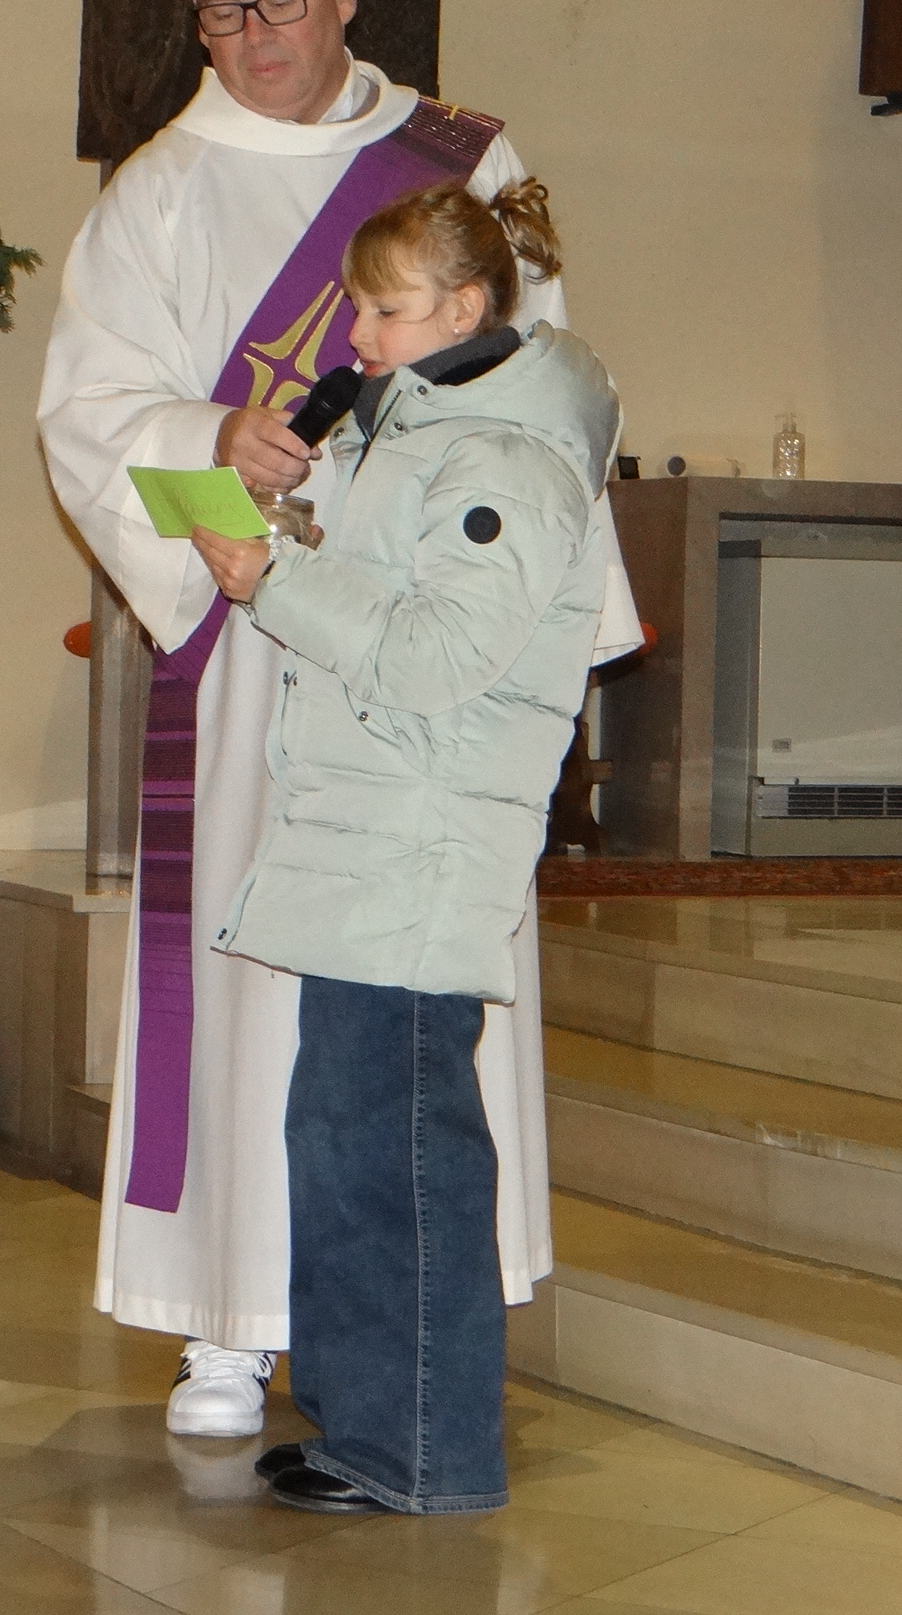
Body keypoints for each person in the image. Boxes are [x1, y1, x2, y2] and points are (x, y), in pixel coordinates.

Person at [38, 0, 639, 1435]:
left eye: (281, 1)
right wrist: (208, 442)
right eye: (220, 12)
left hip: (427, 632)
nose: (255, 39)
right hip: (250, 644)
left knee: (407, 994)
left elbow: (548, 383)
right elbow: (91, 419)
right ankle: (229, 1320)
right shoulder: (160, 192)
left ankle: (423, 1329)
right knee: (257, 985)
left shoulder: (461, 162)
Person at [189, 178, 617, 1515]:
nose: (358, 337)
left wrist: (275, 579)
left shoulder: (507, 463)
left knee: (401, 1158)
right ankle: (365, 1426)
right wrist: (291, 547)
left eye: (386, 312)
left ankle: (427, 1451)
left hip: (421, 847)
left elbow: (436, 660)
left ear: (467, 308)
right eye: (360, 310)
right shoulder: (421, 437)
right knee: (341, 1139)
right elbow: (394, 607)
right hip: (370, 837)